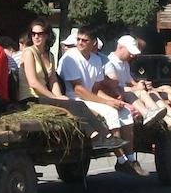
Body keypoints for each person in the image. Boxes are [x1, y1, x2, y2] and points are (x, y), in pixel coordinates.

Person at [18, 17, 124, 151]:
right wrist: (55, 97)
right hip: (31, 98)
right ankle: (96, 137)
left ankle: (106, 136)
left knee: (78, 104)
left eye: (40, 34)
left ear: (47, 35)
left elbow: (53, 80)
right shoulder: (29, 52)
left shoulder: (49, 55)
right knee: (73, 105)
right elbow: (33, 82)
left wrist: (59, 95)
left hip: (44, 96)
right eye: (33, 34)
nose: (36, 37)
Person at [58, 25, 148, 176]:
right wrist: (107, 102)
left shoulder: (96, 60)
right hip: (75, 99)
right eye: (78, 39)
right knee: (112, 112)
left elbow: (96, 88)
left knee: (124, 111)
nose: (80, 43)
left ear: (93, 42)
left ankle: (131, 159)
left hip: (89, 97)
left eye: (84, 40)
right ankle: (121, 160)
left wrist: (114, 100)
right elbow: (78, 90)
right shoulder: (70, 58)